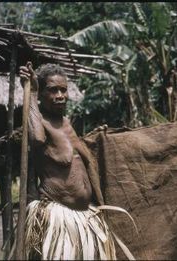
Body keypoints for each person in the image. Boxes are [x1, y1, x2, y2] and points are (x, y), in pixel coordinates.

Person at [19, 62, 135, 260]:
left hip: (85, 218)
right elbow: (37, 138)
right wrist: (31, 93)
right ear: (42, 93)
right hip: (61, 220)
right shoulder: (41, 123)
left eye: (63, 90)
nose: (60, 95)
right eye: (53, 90)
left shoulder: (67, 123)